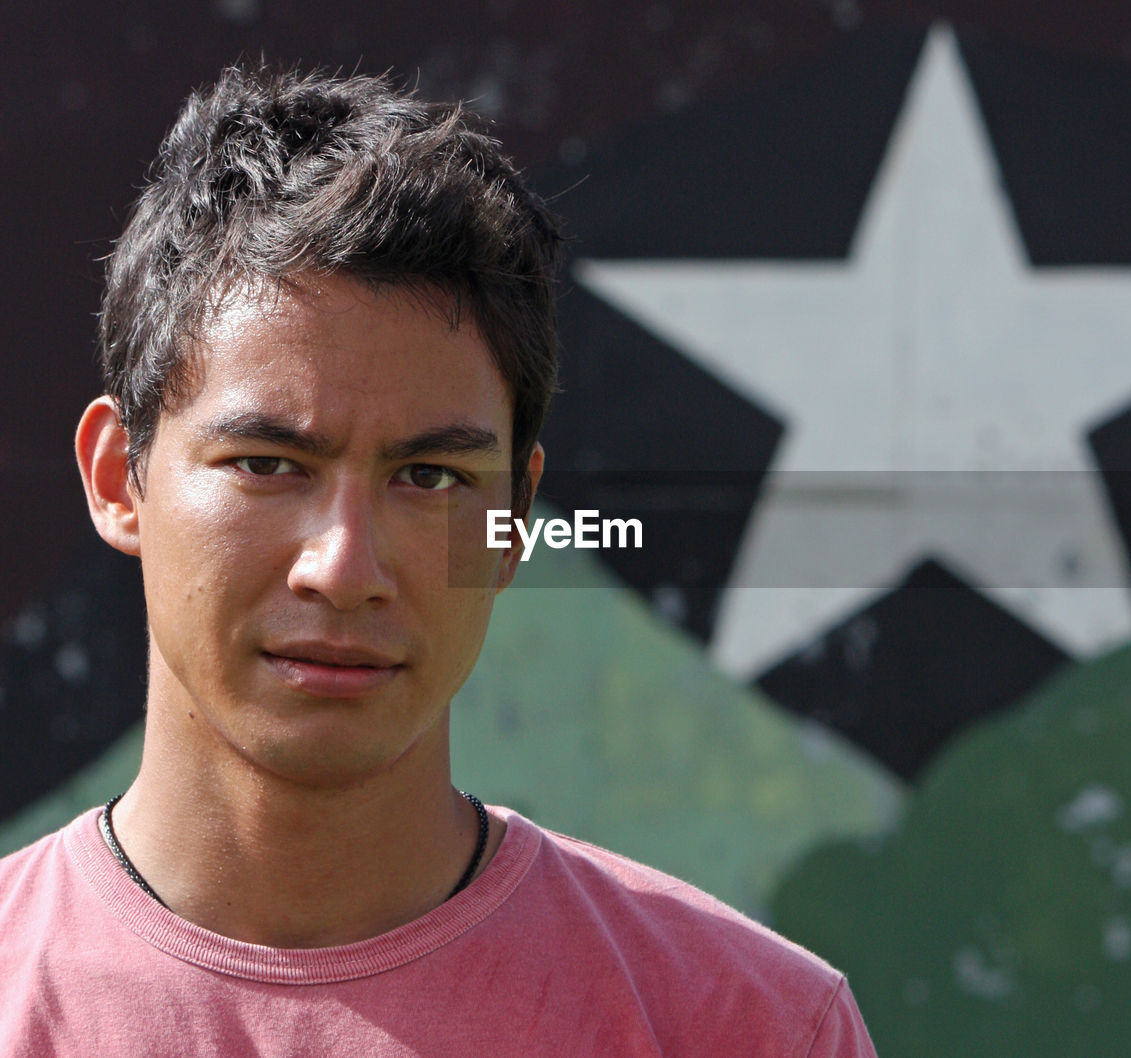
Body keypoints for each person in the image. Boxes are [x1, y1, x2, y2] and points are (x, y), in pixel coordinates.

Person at [0, 64, 876, 1055]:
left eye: (428, 477)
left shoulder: (743, 1024)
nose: (342, 565)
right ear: (121, 477)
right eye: (267, 462)